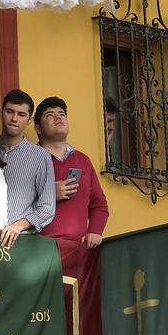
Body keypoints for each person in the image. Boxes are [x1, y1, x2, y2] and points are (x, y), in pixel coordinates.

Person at [35, 96, 109, 248]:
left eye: (62, 114)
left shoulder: (83, 161)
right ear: (38, 128)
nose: (58, 117)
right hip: (40, 250)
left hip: (79, 250)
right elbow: (12, 205)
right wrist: (49, 194)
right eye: (50, 115)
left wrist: (95, 231)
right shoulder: (28, 160)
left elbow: (99, 204)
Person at [0, 89, 55, 247]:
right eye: (10, 112)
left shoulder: (40, 156)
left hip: (20, 242)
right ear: (1, 113)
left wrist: (19, 225)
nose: (14, 118)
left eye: (21, 114)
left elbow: (47, 207)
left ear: (29, 120)